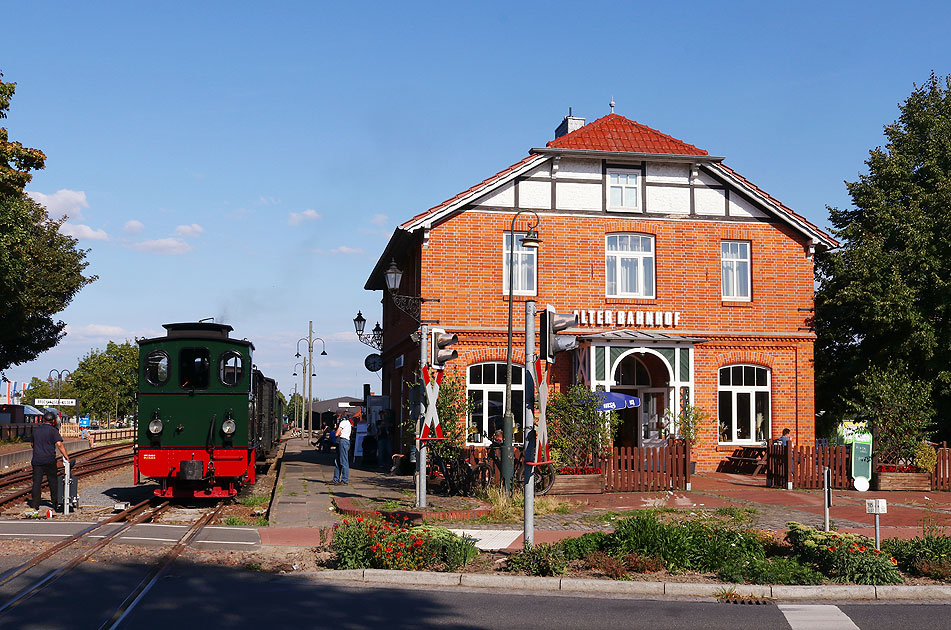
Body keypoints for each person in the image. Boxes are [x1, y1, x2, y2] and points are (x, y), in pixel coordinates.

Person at [30, 410, 69, 511]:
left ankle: (35, 504)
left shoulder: (36, 430)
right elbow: (59, 444)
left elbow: (32, 445)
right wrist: (66, 456)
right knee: (53, 481)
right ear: (53, 421)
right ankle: (55, 503)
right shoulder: (53, 431)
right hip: (49, 460)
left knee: (37, 482)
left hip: (37, 460)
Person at [332, 415, 352, 485]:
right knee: (338, 461)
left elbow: (336, 433)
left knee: (343, 461)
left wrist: (338, 432)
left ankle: (344, 479)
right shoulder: (348, 423)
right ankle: (336, 479)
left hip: (342, 441)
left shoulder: (343, 423)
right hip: (345, 441)